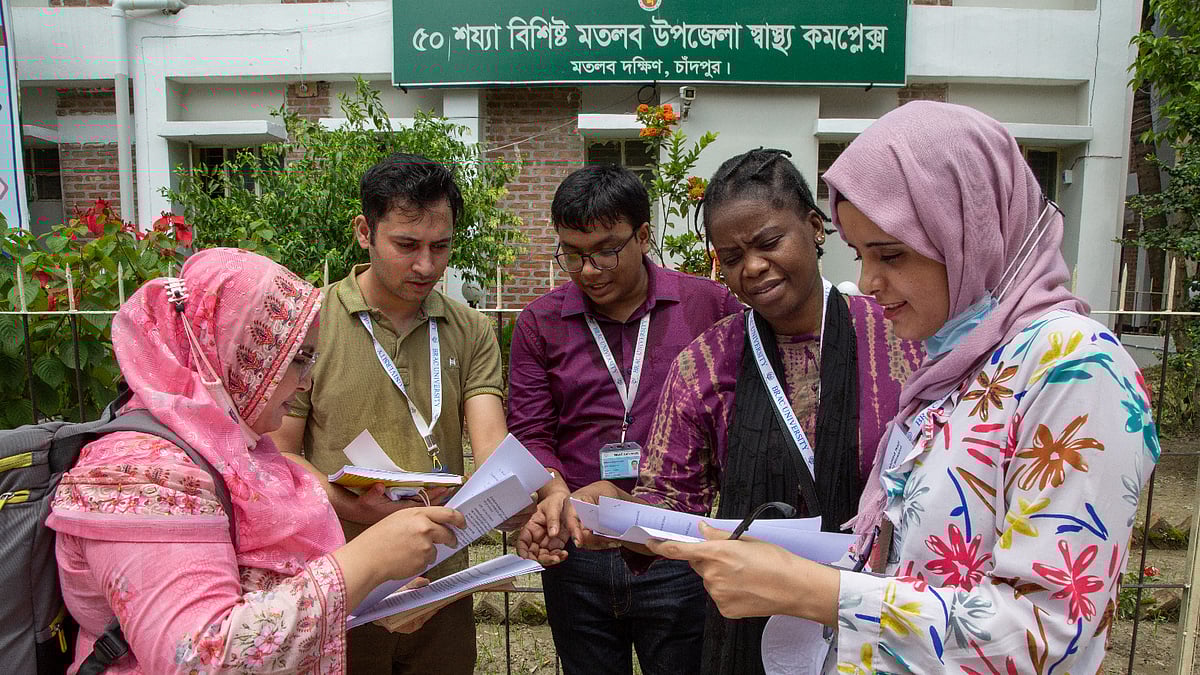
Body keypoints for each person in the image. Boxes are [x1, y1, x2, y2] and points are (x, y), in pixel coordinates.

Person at [646, 102, 1159, 673]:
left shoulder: (1074, 369)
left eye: (890, 255)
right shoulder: (956, 368)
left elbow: (1045, 634)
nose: (868, 281)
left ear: (970, 232)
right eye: (861, 255)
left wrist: (816, 591)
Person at [522, 149, 923, 675]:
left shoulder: (900, 340)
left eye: (769, 243)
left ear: (814, 227)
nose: (752, 267)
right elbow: (673, 501)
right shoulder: (705, 364)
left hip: (888, 612)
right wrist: (614, 510)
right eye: (731, 256)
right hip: (750, 617)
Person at [48, 248, 466, 673]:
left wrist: (367, 594)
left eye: (311, 359)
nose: (306, 383)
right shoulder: (137, 473)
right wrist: (366, 561)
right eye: (297, 359)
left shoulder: (233, 447)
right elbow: (198, 660)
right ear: (233, 351)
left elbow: (266, 591)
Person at [271, 153, 511, 675]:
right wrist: (362, 511)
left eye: (440, 246)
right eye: (407, 245)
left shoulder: (469, 330)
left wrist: (516, 498)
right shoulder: (312, 322)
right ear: (364, 231)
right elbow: (280, 454)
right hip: (340, 575)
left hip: (438, 578)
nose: (426, 266)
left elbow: (492, 448)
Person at [507, 164, 745, 675]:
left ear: (643, 235)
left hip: (676, 548)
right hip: (579, 551)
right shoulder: (540, 323)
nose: (589, 270)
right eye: (572, 253)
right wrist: (557, 498)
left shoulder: (709, 307)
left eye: (606, 250)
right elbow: (530, 431)